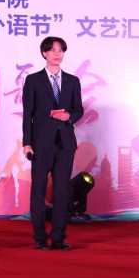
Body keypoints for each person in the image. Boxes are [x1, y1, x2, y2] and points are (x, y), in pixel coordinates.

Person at [22, 36, 83, 250]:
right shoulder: (33, 80)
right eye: (53, 50)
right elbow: (28, 114)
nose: (57, 54)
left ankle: (58, 238)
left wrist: (69, 117)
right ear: (44, 53)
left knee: (62, 191)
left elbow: (79, 110)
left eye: (61, 50)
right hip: (41, 143)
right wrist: (27, 142)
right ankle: (39, 237)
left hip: (65, 143)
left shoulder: (73, 81)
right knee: (38, 190)